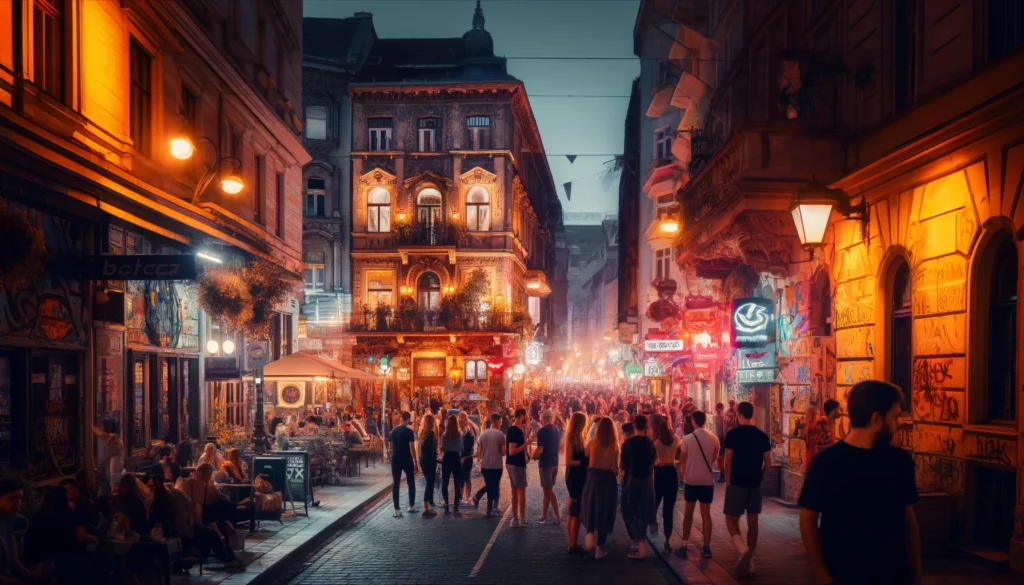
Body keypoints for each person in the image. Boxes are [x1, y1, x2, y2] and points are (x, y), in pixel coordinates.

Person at [799, 381, 921, 585]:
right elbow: (808, 519)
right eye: (895, 416)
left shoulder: (899, 461)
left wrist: (916, 573)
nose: (898, 423)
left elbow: (908, 519)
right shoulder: (827, 462)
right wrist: (822, 574)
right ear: (876, 418)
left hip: (894, 574)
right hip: (844, 573)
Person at [723, 401, 771, 576]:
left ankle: (743, 551)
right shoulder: (762, 436)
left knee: (731, 519)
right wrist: (761, 475)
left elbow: (727, 460)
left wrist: (728, 480)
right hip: (755, 483)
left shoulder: (732, 434)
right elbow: (768, 463)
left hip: (737, 482)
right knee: (753, 522)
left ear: (739, 415)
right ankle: (751, 561)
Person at [678, 410, 720, 558]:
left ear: (694, 421)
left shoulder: (687, 439)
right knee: (706, 514)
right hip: (707, 481)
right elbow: (714, 458)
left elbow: (683, 459)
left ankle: (684, 544)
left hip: (691, 479)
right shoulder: (714, 438)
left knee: (688, 513)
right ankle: (707, 547)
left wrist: (683, 474)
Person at [580, 417, 619, 560]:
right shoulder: (614, 447)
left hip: (592, 478)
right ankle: (600, 548)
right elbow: (616, 470)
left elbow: (585, 457)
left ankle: (589, 540)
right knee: (604, 511)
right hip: (607, 480)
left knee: (590, 507)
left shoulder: (592, 444)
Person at [620, 414, 656, 560]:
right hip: (646, 480)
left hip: (632, 480)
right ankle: (641, 544)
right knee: (643, 511)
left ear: (634, 426)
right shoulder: (650, 443)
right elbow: (652, 462)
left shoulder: (627, 443)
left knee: (628, 509)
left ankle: (635, 539)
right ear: (645, 427)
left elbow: (623, 465)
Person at [650, 414, 681, 554]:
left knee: (654, 502)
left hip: (659, 472)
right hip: (671, 472)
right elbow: (679, 456)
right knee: (668, 508)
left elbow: (652, 461)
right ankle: (667, 539)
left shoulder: (655, 442)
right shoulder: (676, 439)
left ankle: (652, 524)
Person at [563, 411, 589, 553]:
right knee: (575, 511)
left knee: (574, 510)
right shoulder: (572, 438)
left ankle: (573, 542)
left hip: (577, 475)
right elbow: (568, 461)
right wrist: (583, 462)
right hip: (574, 476)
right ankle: (573, 544)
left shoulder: (578, 437)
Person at [532, 409, 562, 525]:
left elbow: (540, 449)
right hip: (555, 462)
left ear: (542, 418)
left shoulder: (542, 431)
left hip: (546, 464)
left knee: (548, 490)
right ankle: (543, 515)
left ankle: (558, 515)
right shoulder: (556, 429)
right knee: (547, 490)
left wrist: (533, 456)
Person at [472, 414, 506, 517]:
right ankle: (492, 507)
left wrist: (479, 459)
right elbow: (503, 452)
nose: (500, 424)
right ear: (495, 421)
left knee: (490, 485)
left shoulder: (483, 435)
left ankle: (489, 507)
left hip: (485, 465)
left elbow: (479, 449)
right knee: (494, 485)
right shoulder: (501, 435)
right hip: (497, 465)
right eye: (500, 422)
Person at [506, 408, 531, 528]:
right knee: (520, 491)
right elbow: (512, 451)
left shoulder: (518, 430)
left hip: (514, 463)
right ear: (522, 416)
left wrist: (526, 451)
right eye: (525, 416)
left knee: (514, 491)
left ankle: (515, 517)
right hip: (516, 464)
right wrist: (526, 445)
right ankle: (521, 519)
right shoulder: (514, 430)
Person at [390, 411, 418, 517]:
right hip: (406, 458)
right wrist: (415, 461)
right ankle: (411, 505)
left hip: (396, 459)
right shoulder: (409, 432)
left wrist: (390, 455)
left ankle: (397, 509)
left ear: (401, 418)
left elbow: (390, 445)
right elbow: (412, 447)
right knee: (411, 482)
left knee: (396, 483)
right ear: (407, 419)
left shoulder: (394, 431)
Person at [440, 414, 464, 516]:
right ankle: (455, 507)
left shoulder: (444, 435)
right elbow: (461, 448)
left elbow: (442, 448)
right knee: (457, 483)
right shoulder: (458, 434)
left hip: (447, 458)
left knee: (444, 482)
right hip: (455, 458)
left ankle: (446, 504)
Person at [418, 413, 439, 517]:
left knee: (429, 483)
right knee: (430, 483)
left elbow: (421, 448)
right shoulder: (431, 434)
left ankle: (430, 506)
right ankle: (426, 508)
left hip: (423, 460)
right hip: (429, 461)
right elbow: (431, 449)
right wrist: (436, 455)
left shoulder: (423, 433)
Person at [458, 412, 476, 505]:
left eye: (463, 418)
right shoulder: (458, 431)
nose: (461, 419)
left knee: (466, 478)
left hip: (467, 458)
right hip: (460, 458)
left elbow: (469, 446)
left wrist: (464, 456)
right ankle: (461, 497)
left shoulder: (468, 431)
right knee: (461, 478)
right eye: (460, 417)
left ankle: (467, 497)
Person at [713, 403, 727, 482]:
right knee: (720, 457)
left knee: (721, 457)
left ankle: (723, 474)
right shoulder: (719, 417)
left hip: (720, 438)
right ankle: (723, 474)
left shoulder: (720, 416)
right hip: (720, 438)